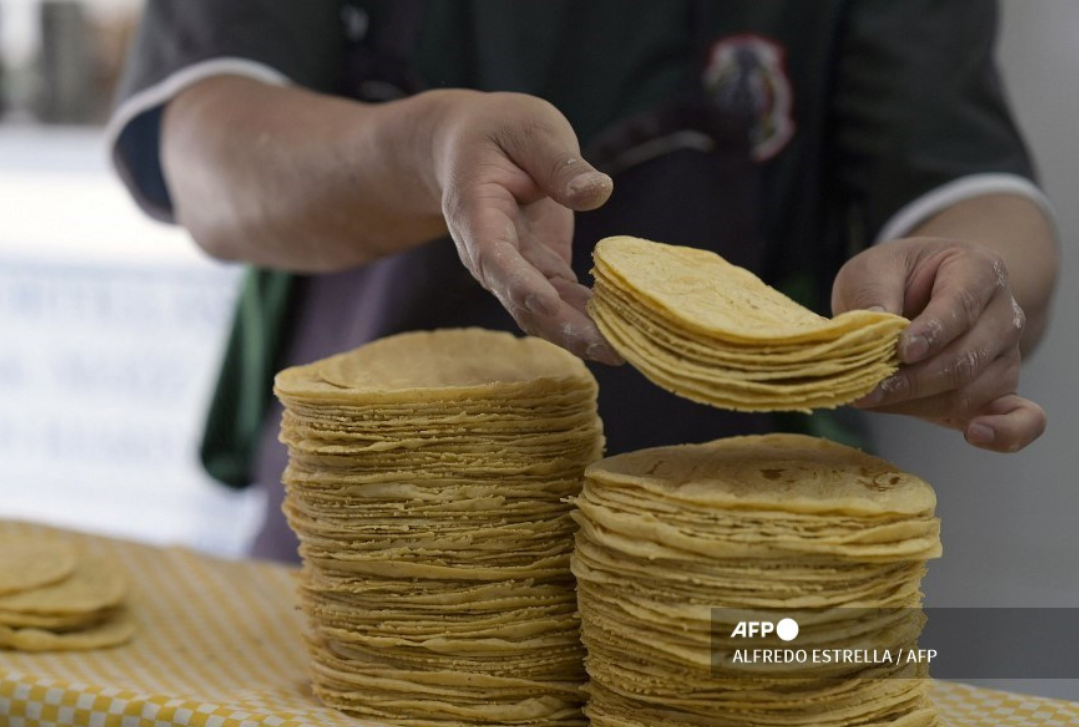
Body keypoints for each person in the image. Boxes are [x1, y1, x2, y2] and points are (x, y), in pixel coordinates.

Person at [109, 1, 1058, 562]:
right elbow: (201, 149)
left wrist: (966, 286)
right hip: (373, 542)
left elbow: (964, 184)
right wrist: (423, 147)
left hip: (739, 576)